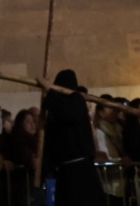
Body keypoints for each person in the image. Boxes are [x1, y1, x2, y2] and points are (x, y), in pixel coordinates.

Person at [41, 71, 103, 206]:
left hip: (80, 171)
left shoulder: (76, 100)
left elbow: (66, 113)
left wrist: (49, 90)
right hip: (65, 172)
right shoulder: (58, 109)